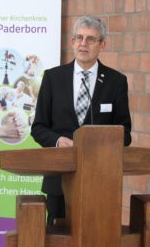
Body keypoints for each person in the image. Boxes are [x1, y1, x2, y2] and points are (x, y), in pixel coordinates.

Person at [31, 15, 132, 226]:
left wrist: (98, 145)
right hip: (59, 180)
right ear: (72, 42)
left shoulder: (116, 82)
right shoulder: (52, 78)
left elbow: (125, 133)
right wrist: (58, 141)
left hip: (101, 180)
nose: (83, 44)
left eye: (91, 39)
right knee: (57, 238)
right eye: (79, 38)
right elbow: (39, 127)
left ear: (102, 44)